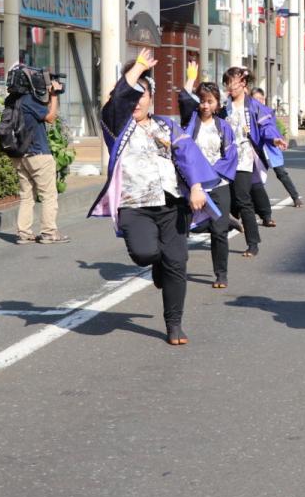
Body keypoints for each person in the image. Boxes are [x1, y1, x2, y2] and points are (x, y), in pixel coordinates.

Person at [89, 49, 217, 345]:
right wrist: (138, 69)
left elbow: (187, 157)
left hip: (172, 204)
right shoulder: (117, 126)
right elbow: (118, 99)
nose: (136, 101)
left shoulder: (165, 126)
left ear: (151, 99)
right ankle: (156, 262)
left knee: (178, 261)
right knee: (145, 254)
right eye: (131, 95)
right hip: (135, 204)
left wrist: (197, 186)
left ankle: (174, 325)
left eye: (142, 95)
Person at [178, 68, 237, 290]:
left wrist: (211, 175)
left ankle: (221, 274)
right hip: (192, 184)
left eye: (210, 101)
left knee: (219, 231)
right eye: (202, 100)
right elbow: (184, 98)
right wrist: (190, 79)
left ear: (217, 104)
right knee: (183, 229)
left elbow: (230, 156)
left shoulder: (224, 127)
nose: (205, 105)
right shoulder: (190, 121)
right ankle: (176, 270)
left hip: (218, 183)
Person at [221, 67, 286, 257]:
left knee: (243, 199)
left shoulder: (254, 107)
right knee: (225, 200)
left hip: (244, 158)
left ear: (243, 83)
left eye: (231, 82)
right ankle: (227, 227)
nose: (228, 86)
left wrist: (275, 139)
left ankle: (253, 242)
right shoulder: (224, 107)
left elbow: (266, 127)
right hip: (224, 159)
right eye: (226, 82)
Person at [11, 71, 69, 244]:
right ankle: (49, 232)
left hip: (20, 155)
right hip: (38, 154)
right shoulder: (30, 100)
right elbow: (50, 118)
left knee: (27, 195)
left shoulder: (13, 101)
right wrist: (54, 96)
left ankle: (24, 233)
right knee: (49, 195)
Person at [252, 88, 303, 210]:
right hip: (256, 148)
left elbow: (270, 129)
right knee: (255, 177)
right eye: (255, 99)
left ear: (263, 100)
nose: (258, 102)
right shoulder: (249, 114)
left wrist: (276, 139)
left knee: (281, 173)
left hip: (270, 146)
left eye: (260, 99)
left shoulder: (268, 113)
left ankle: (295, 197)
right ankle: (256, 204)